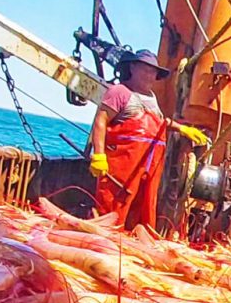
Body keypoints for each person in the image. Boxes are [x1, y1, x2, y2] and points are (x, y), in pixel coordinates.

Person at [88, 49, 208, 232]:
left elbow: (159, 122)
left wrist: (182, 128)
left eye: (153, 71)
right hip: (122, 167)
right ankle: (102, 246)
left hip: (150, 167)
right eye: (145, 69)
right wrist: (98, 155)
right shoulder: (119, 92)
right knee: (111, 210)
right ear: (133, 67)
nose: (150, 75)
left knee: (143, 210)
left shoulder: (152, 97)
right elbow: (100, 121)